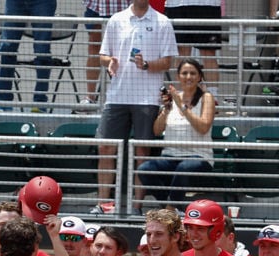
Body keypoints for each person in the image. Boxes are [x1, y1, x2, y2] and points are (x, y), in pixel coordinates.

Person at [92, 0, 177, 213]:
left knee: (142, 152)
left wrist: (147, 64)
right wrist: (109, 61)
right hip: (116, 96)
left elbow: (168, 61)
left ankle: (136, 207)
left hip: (147, 98)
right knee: (106, 149)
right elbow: (102, 55)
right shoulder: (115, 20)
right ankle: (103, 206)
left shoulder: (163, 22)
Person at [136, 58, 216, 210]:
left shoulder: (206, 98)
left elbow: (204, 127)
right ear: (178, 77)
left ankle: (169, 211)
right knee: (144, 169)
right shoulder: (173, 98)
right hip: (170, 157)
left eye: (193, 73)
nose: (188, 77)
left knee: (184, 168)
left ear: (199, 76)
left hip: (198, 157)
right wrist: (166, 109)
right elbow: (157, 130)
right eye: (184, 73)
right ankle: (174, 208)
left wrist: (183, 107)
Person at [0, 0, 56, 110]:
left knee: (42, 51)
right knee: (7, 47)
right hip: (15, 2)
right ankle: (2, 100)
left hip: (43, 2)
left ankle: (40, 103)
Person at [80, 0, 130, 109]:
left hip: (122, 6)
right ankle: (90, 98)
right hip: (96, 5)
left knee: (120, 50)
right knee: (94, 47)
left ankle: (122, 96)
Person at [165, 0, 222, 91]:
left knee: (208, 52)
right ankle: (181, 97)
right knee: (181, 52)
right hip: (176, 5)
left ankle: (213, 97)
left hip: (206, 5)